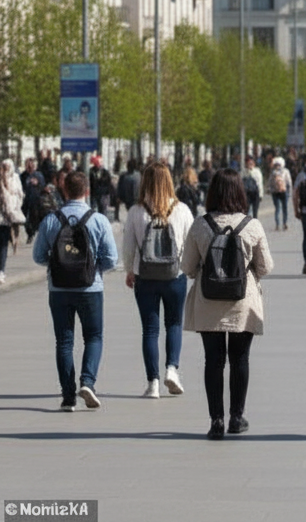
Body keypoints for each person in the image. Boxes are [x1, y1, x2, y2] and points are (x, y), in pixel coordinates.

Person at [182, 168, 273, 439]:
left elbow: (186, 266)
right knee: (240, 358)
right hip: (242, 301)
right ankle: (236, 416)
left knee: (213, 360)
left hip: (208, 300)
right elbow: (266, 266)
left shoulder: (200, 225)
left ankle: (216, 421)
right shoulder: (251, 225)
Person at [32, 170, 118, 411]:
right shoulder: (98, 219)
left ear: (65, 190)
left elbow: (38, 256)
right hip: (90, 288)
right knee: (93, 336)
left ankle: (68, 396)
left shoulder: (51, 219)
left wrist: (58, 265)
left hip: (58, 289)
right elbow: (111, 258)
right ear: (87, 191)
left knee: (64, 341)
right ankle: (88, 381)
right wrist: (93, 269)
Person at [123, 162, 195, 398]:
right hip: (175, 276)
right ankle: (172, 369)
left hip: (145, 277)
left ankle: (152, 382)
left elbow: (128, 247)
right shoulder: (182, 210)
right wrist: (190, 269)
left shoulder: (136, 212)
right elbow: (192, 242)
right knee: (174, 324)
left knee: (150, 330)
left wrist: (129, 270)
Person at [0, 158, 27, 282]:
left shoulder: (15, 178)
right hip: (4, 215)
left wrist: (15, 207)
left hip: (7, 217)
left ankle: (1, 270)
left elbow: (19, 194)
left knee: (3, 244)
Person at [267, 156, 292, 231]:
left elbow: (270, 182)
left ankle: (277, 224)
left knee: (277, 208)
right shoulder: (285, 171)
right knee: (285, 208)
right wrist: (290, 191)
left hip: (275, 192)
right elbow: (289, 182)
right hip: (284, 192)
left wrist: (271, 190)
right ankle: (285, 223)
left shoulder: (273, 172)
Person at [243, 156, 263, 220]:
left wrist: (261, 194)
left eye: (251, 163)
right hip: (247, 193)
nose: (250, 165)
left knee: (255, 212)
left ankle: (255, 225)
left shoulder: (257, 171)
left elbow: (260, 183)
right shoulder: (243, 172)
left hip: (255, 193)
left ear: (254, 163)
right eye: (248, 163)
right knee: (246, 211)